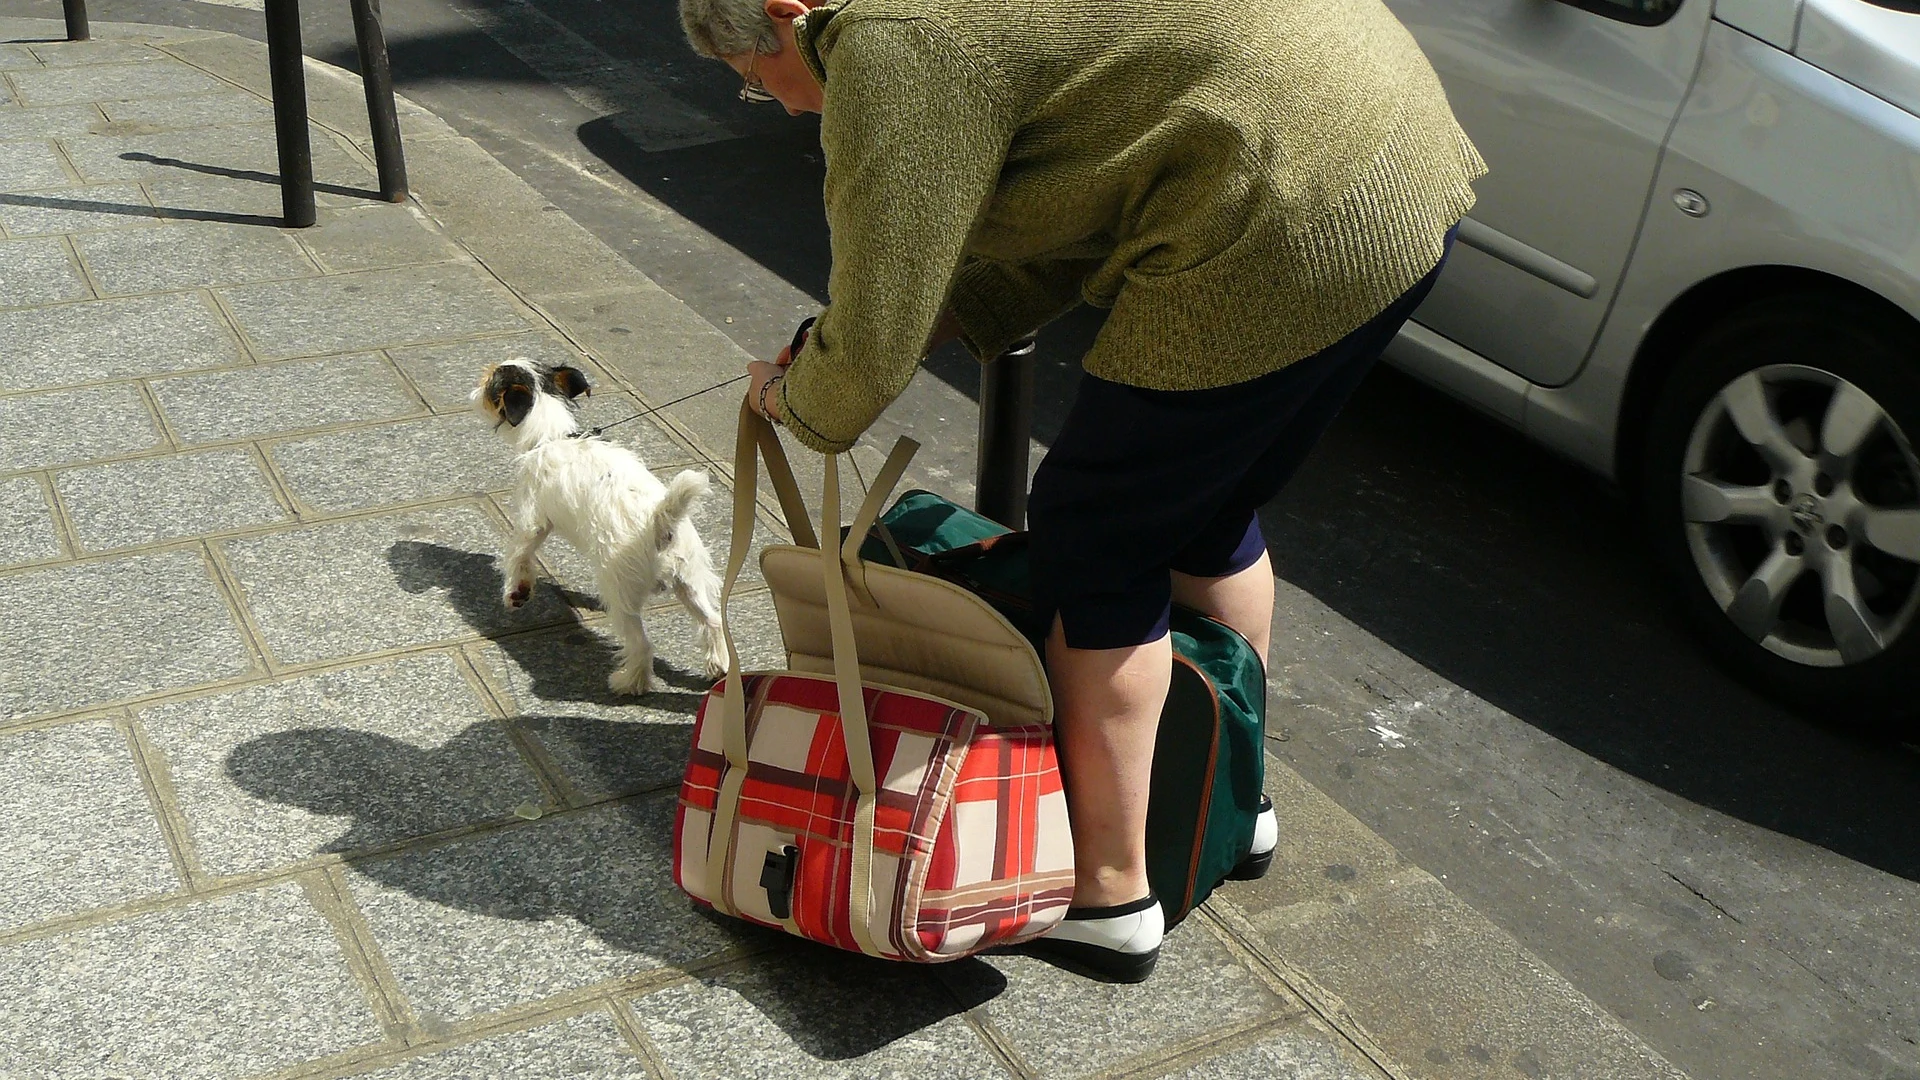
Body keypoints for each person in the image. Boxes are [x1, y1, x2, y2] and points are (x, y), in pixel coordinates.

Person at [679, 0, 1484, 979]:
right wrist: (880, 344)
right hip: (1395, 159)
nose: (785, 109)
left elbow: (879, 317)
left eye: (759, 82)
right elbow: (1068, 208)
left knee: (1098, 538)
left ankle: (1110, 894)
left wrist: (801, 398)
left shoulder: (883, 41)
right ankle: (1230, 798)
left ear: (785, 14)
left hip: (1274, 206)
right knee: (1207, 506)